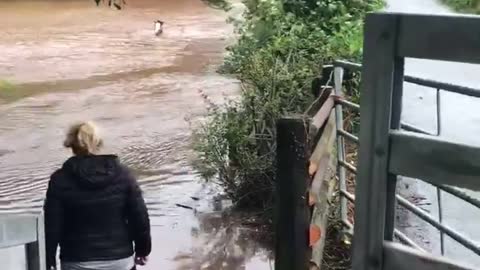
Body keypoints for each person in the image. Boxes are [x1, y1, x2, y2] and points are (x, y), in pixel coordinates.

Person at [44, 121, 151, 270]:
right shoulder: (123, 175)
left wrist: (49, 260)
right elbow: (139, 217)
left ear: (72, 145)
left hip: (76, 261)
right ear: (99, 143)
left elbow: (52, 225)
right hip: (120, 260)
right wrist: (142, 249)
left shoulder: (60, 179)